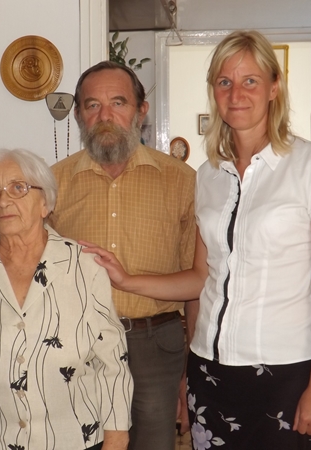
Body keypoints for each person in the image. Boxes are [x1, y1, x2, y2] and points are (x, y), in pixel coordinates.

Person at [82, 31, 311, 450]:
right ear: (214, 92)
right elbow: (200, 278)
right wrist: (127, 279)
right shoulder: (208, 175)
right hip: (209, 370)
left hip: (285, 371)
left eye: (250, 80)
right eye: (225, 82)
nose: (236, 94)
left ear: (274, 87)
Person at [0, 149, 133, 450]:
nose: (3, 200)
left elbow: (112, 361)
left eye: (18, 187)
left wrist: (116, 438)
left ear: (45, 203)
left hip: (75, 439)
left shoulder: (84, 267)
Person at [49, 60, 197, 450]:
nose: (105, 116)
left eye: (118, 102)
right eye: (92, 105)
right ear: (78, 114)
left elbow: (198, 283)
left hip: (156, 347)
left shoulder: (182, 181)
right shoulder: (52, 183)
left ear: (140, 111)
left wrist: (191, 371)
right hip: (78, 345)